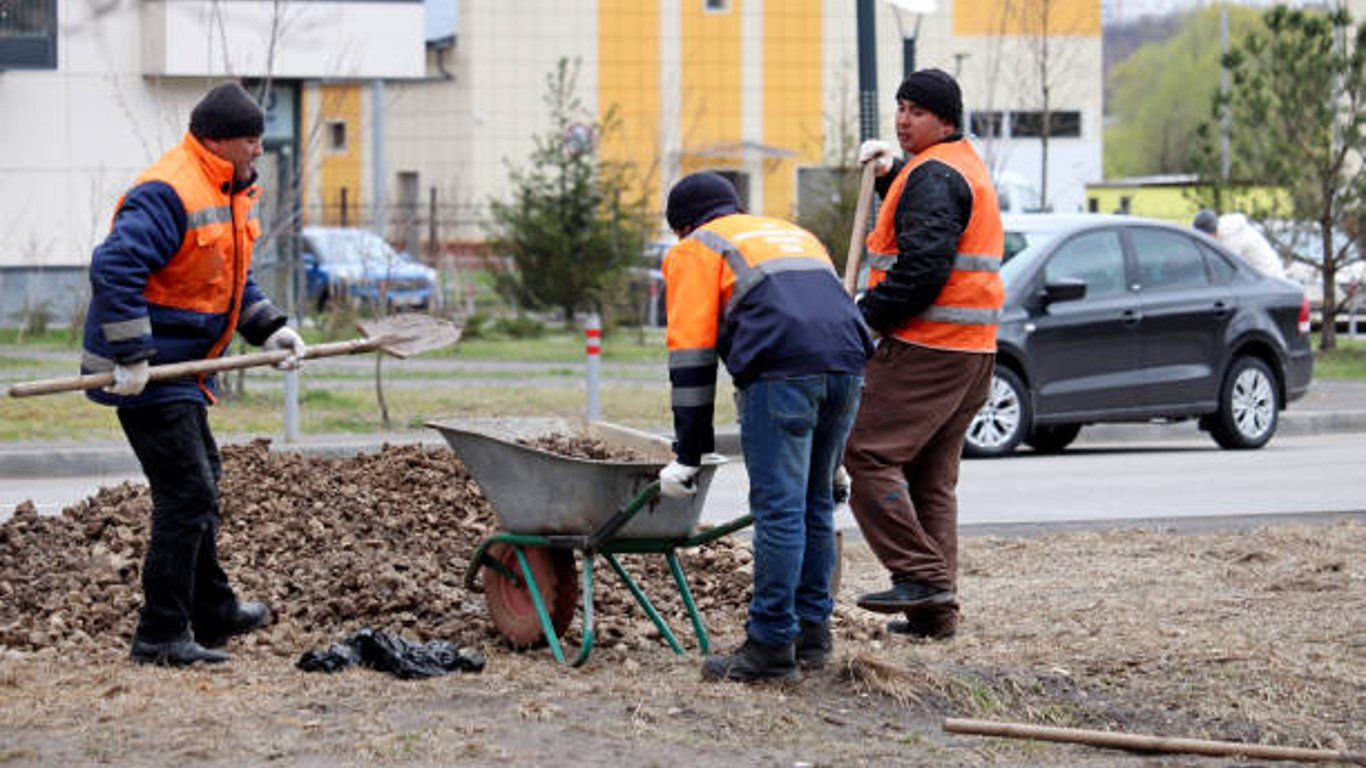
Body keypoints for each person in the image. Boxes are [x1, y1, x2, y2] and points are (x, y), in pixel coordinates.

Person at [81, 82, 307, 666]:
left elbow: (229, 277)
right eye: (252, 140)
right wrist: (130, 356)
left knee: (202, 480)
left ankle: (212, 609)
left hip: (186, 366)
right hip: (149, 369)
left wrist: (267, 327)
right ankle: (160, 634)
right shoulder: (169, 189)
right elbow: (115, 267)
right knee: (187, 494)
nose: (260, 150)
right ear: (220, 141)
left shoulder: (230, 187)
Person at [657, 172, 872, 682]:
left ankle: (772, 646)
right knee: (816, 501)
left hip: (782, 376)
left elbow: (690, 359)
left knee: (779, 512)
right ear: (733, 206)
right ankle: (813, 635)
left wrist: (688, 455)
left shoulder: (695, 248)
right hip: (849, 368)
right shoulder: (792, 234)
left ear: (683, 225)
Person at [842, 68, 1004, 641]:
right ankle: (935, 617)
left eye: (916, 111)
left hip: (926, 348)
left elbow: (922, 269)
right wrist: (890, 177)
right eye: (900, 107)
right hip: (974, 352)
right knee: (931, 482)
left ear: (946, 121)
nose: (903, 119)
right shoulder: (958, 165)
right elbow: (929, 224)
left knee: (864, 454)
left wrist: (858, 317)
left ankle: (921, 575)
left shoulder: (935, 174)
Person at [1193, 209, 1286, 279]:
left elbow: (1228, 269)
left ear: (1211, 232)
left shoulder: (1231, 239)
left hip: (1268, 277)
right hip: (1264, 276)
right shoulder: (1227, 230)